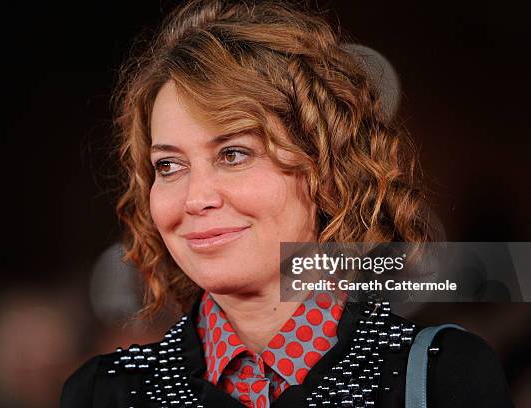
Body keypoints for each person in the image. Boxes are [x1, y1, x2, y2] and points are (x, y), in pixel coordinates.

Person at [61, 1, 513, 406]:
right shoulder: (104, 392)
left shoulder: (442, 376)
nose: (195, 199)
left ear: (328, 172)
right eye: (169, 166)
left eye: (233, 154)